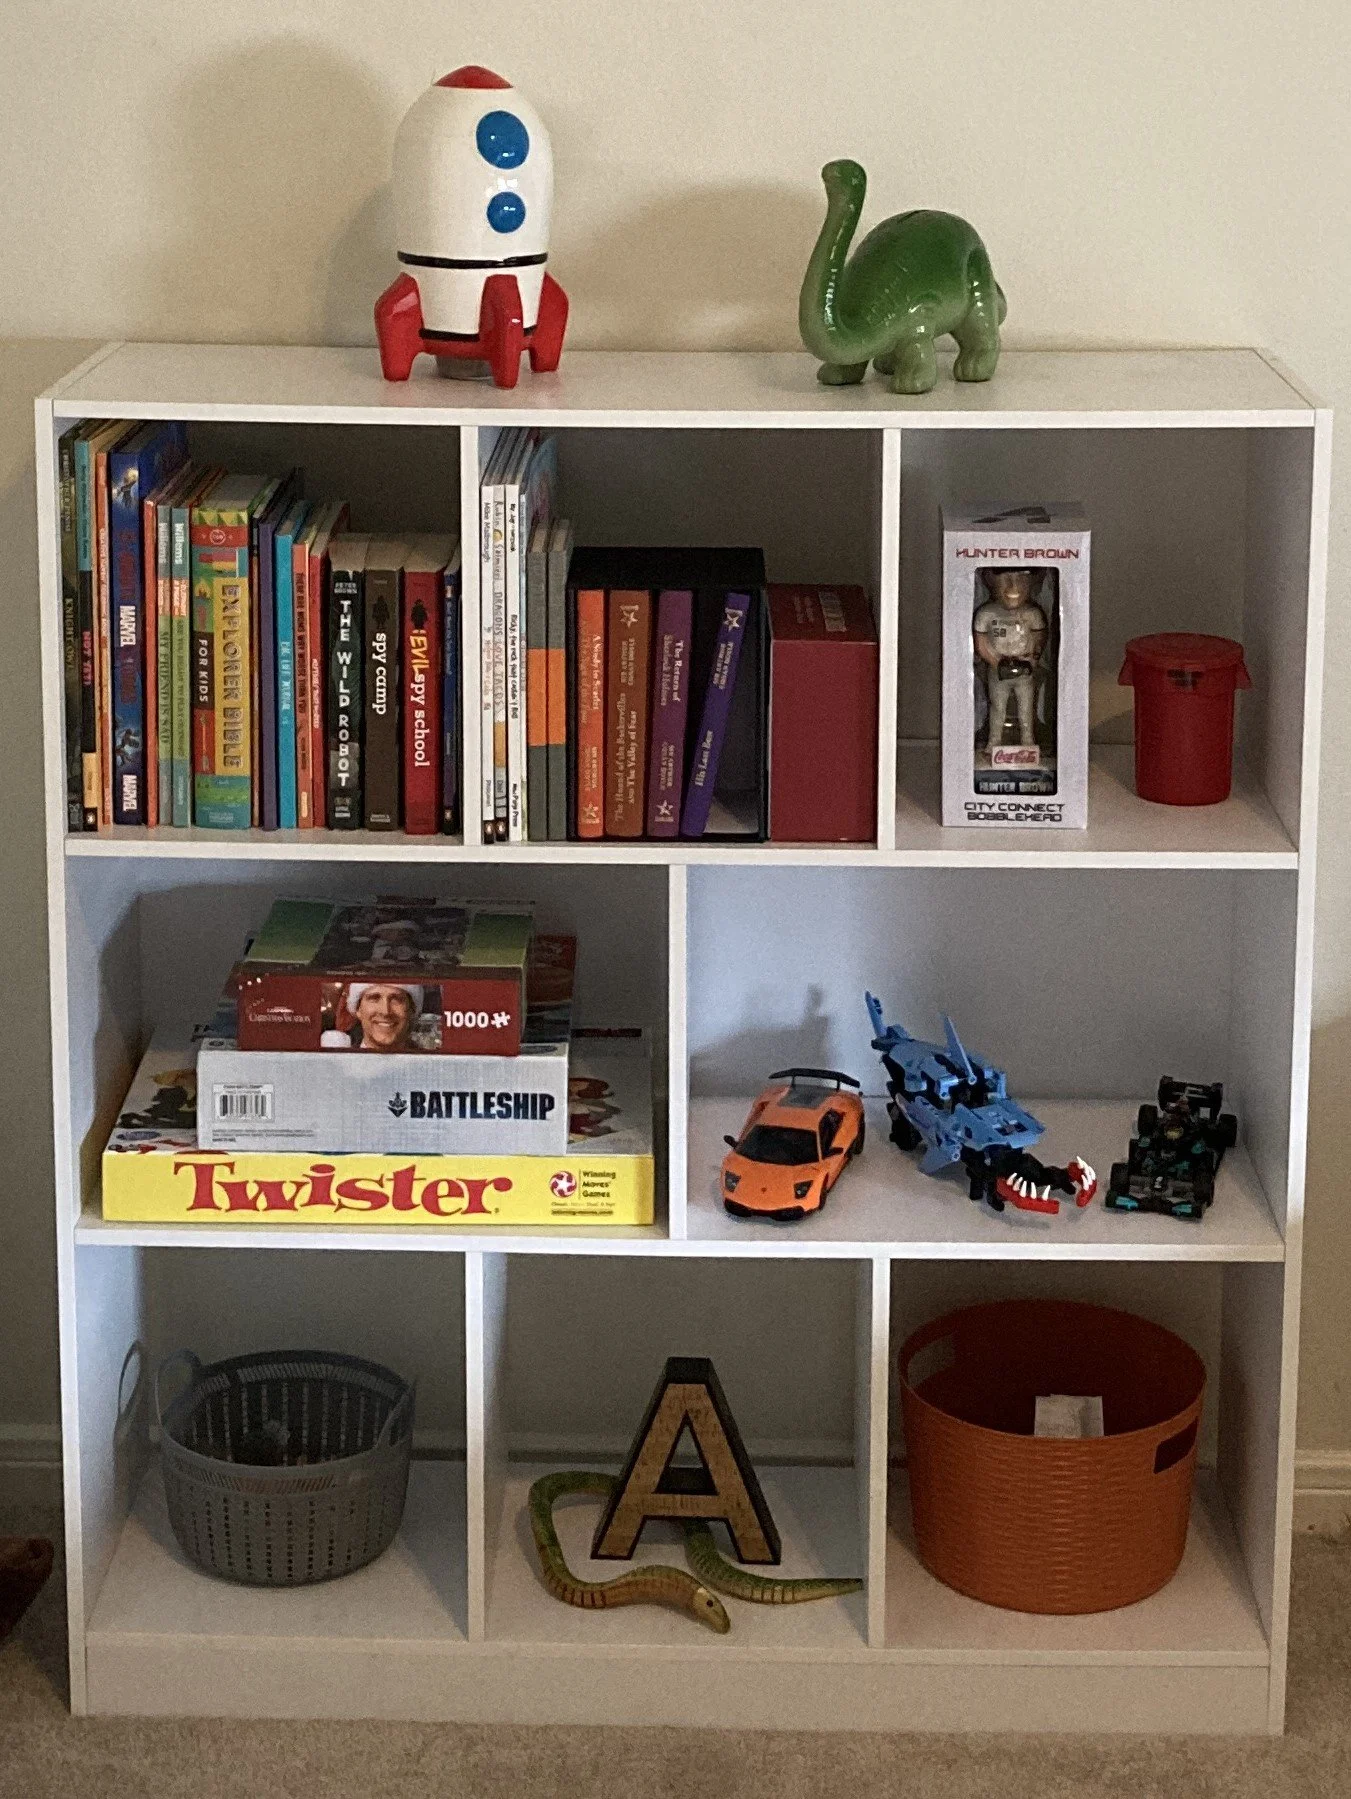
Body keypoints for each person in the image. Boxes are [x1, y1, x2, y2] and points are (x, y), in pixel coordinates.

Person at [972, 568, 1047, 754]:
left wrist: (1033, 659)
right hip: (998, 667)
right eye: (1005, 579)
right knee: (997, 706)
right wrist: (996, 662)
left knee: (1026, 707)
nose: (1013, 587)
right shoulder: (986, 614)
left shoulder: (1033, 614)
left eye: (1021, 579)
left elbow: (1039, 638)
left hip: (1024, 667)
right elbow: (980, 644)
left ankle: (1028, 741)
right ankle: (994, 742)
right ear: (991, 581)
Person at [331, 982, 424, 1052]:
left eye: (396, 999)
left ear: (412, 1009)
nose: (385, 1011)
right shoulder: (339, 1066)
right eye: (374, 998)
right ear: (358, 1009)